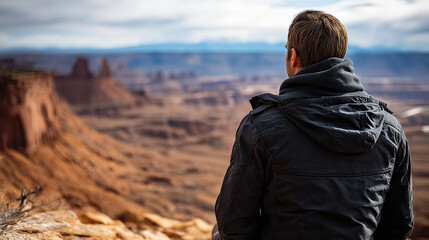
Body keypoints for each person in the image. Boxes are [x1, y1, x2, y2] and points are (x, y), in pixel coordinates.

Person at [213, 10, 413, 240]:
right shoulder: (390, 129)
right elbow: (400, 224)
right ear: (341, 55)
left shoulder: (261, 127)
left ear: (293, 56)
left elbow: (233, 225)